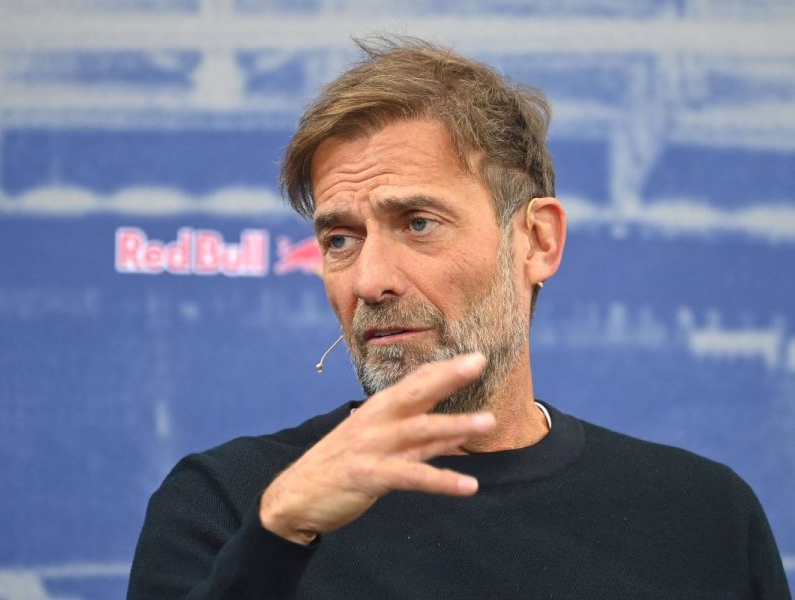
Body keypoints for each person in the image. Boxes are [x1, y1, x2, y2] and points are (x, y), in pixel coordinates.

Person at [127, 37, 790, 599]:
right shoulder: (229, 505)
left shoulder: (704, 515)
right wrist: (277, 538)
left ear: (537, 241)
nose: (370, 280)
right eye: (340, 239)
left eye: (418, 223)